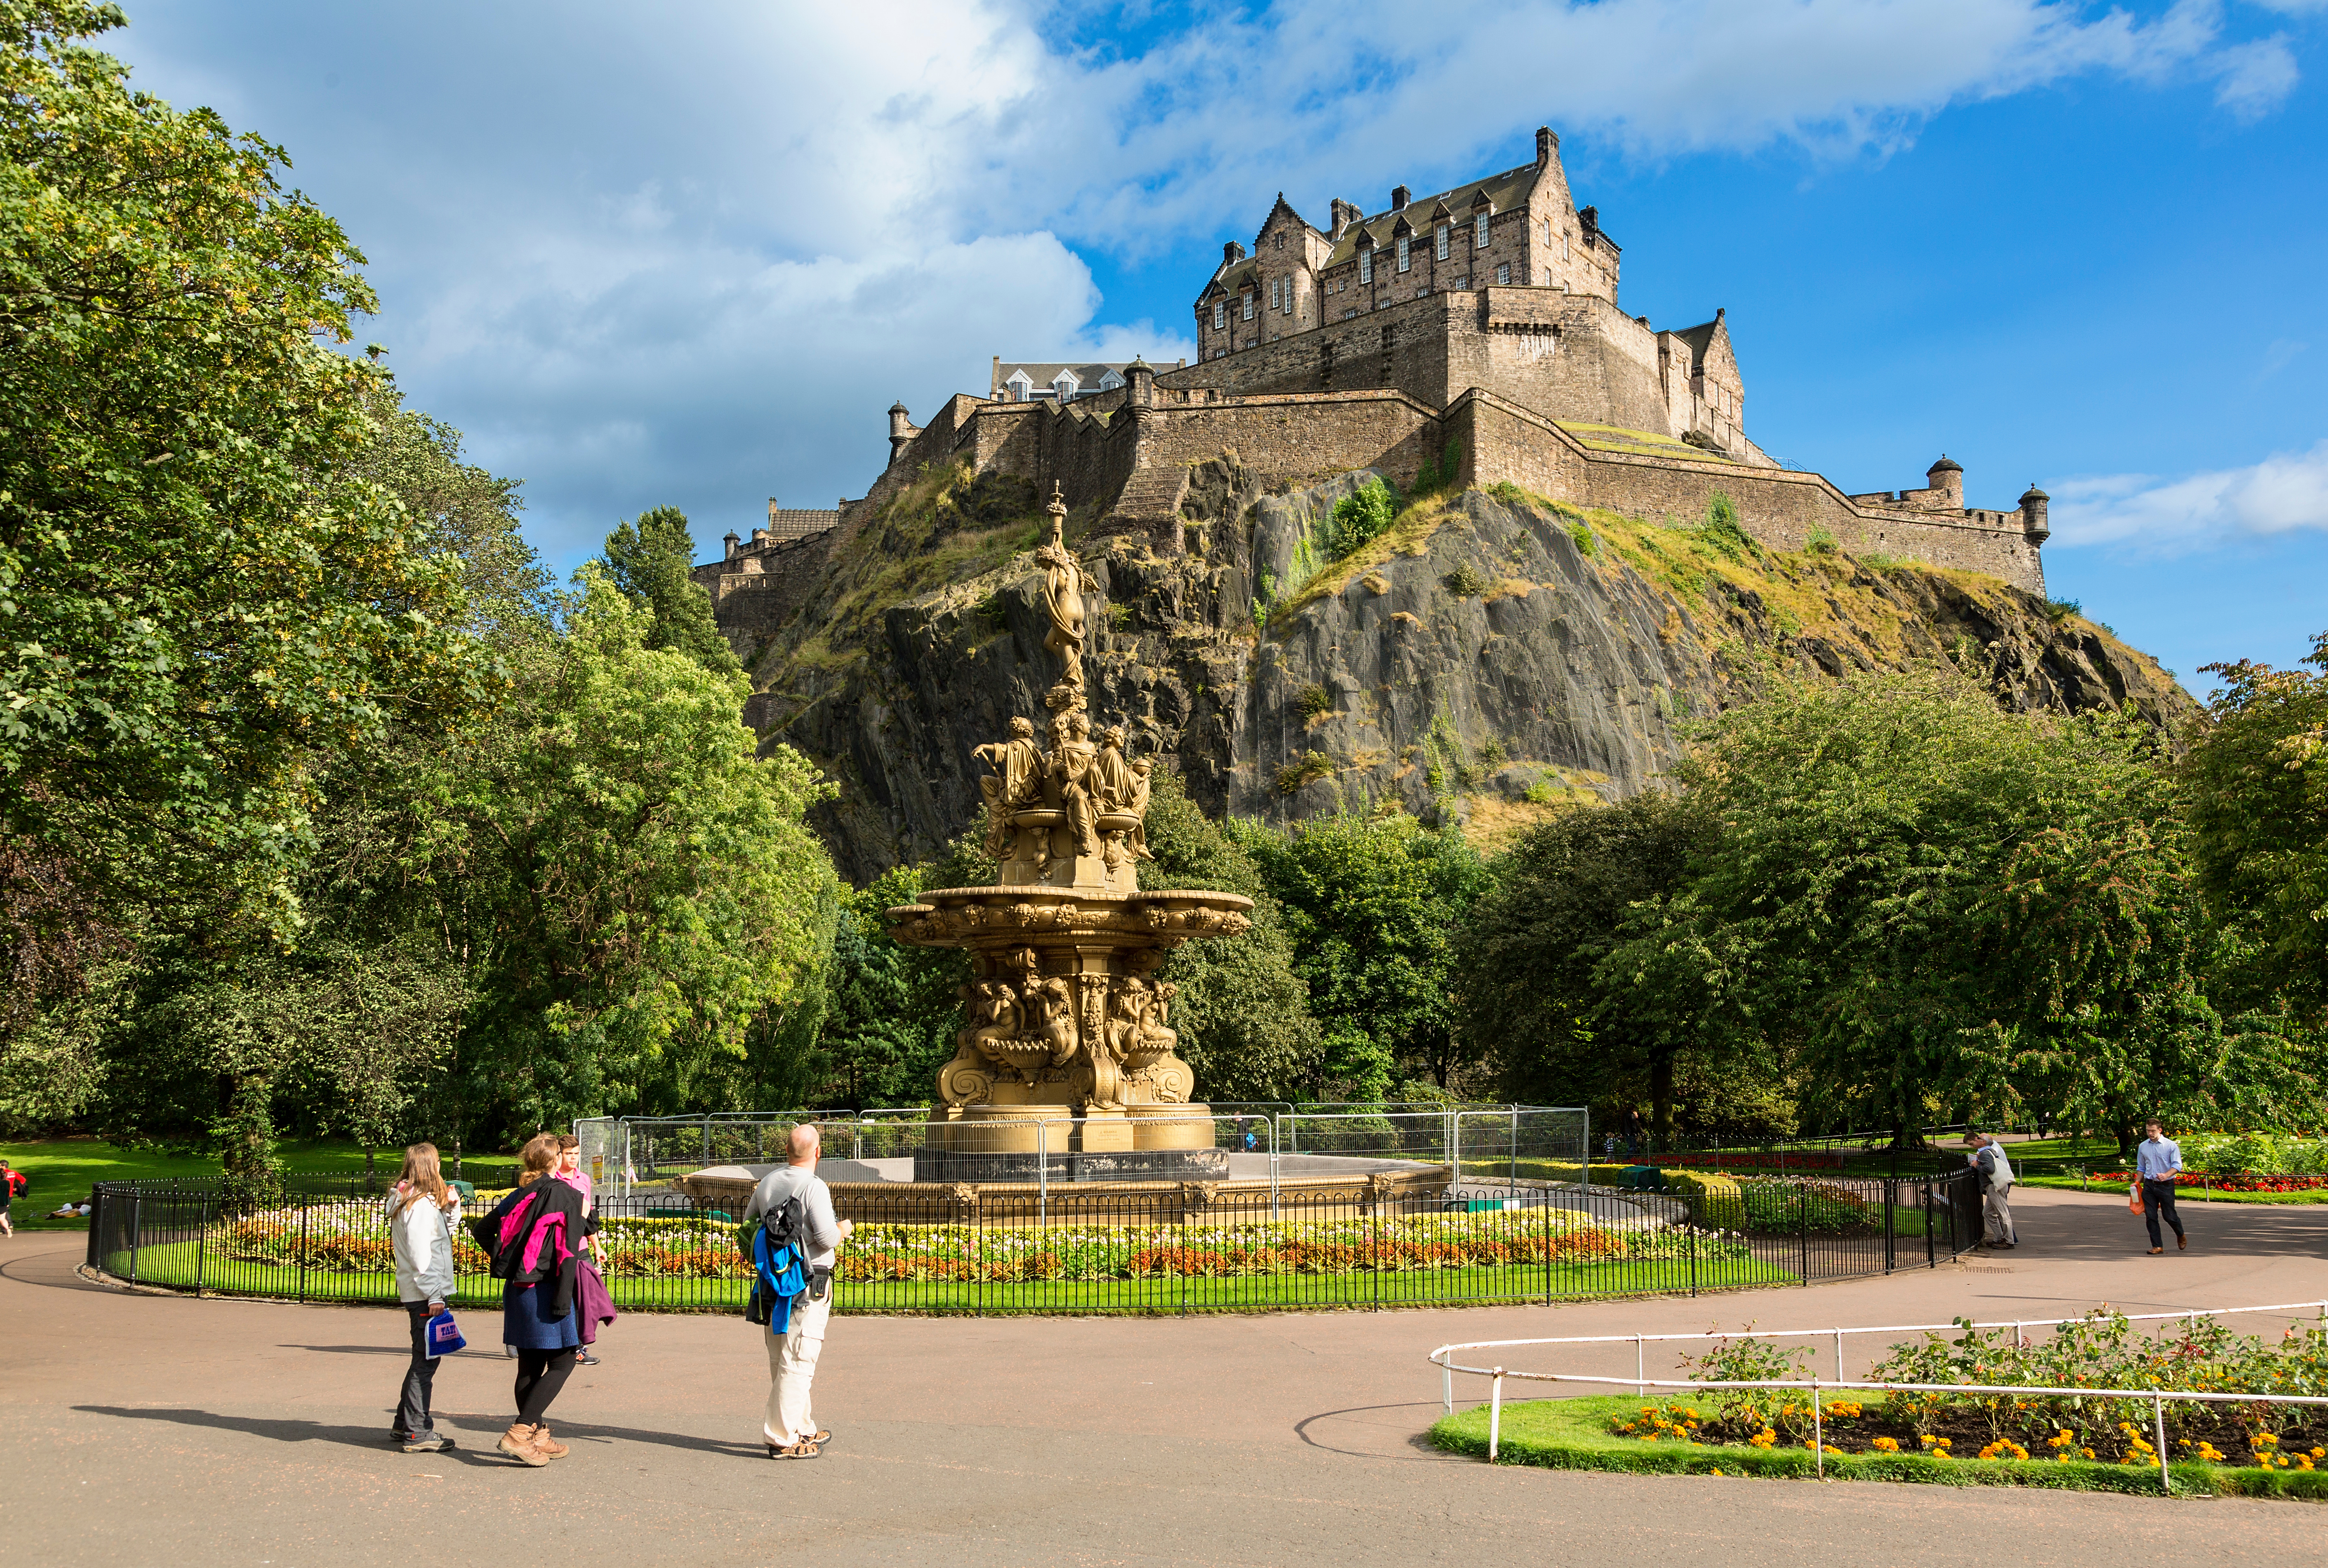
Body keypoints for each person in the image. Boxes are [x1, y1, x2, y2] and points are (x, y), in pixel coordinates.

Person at [480, 1133, 597, 1465]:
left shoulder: (521, 1194)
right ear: (555, 1159)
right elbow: (574, 1246)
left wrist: (511, 1260)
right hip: (549, 1289)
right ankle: (519, 1432)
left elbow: (483, 1230)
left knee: (529, 1365)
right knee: (563, 1361)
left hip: (519, 1289)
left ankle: (538, 1434)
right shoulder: (567, 1195)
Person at [746, 1124, 852, 1460]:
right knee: (800, 1360)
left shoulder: (767, 1183)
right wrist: (844, 1229)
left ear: (788, 1152)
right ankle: (780, 1439)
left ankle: (802, 1427)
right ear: (818, 1152)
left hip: (775, 1282)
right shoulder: (813, 1187)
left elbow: (749, 1226)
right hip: (810, 1283)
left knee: (782, 1356)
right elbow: (826, 1238)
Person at [388, 1144, 462, 1452]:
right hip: (424, 1294)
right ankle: (417, 1432)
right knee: (426, 1362)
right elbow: (422, 1255)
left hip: (420, 1291)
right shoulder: (417, 1205)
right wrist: (435, 1295)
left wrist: (452, 1207)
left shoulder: (414, 1199)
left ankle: (404, 1424)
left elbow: (443, 1233)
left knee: (423, 1358)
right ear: (429, 1167)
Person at [553, 1135, 605, 1366]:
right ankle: (525, 1336)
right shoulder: (551, 1180)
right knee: (558, 1297)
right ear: (559, 1155)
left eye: (576, 1154)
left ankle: (579, 1348)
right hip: (558, 1247)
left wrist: (597, 1246)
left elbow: (587, 1217)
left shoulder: (584, 1179)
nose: (573, 1159)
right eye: (568, 1154)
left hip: (581, 1247)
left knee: (585, 1297)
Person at [2135, 1118, 2187, 1255]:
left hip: (2166, 1186)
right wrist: (2137, 1182)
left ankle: (2180, 1234)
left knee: (2169, 1216)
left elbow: (2177, 1166)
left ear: (2160, 1130)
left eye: (2153, 1131)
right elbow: (2141, 1167)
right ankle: (2157, 1246)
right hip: (2149, 1186)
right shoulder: (2143, 1146)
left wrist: (2166, 1175)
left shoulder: (2170, 1146)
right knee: (2151, 1216)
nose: (2150, 1134)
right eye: (2148, 1131)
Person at [1966, 1133, 2017, 1249]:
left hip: (1994, 1187)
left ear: (1983, 1142)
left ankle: (2009, 1241)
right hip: (1994, 1187)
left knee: (2003, 1214)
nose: (1976, 1140)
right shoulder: (1988, 1152)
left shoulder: (1984, 1154)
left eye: (1978, 1139)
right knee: (1988, 1214)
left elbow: (1990, 1169)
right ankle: (1999, 1238)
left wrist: (1977, 1165)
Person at [0, 1158, 23, 1236]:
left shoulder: (3, 1175)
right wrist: (17, 1188)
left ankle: (8, 1226)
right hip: (9, 1196)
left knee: (4, 1213)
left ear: (3, 1166)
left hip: (2, 1197)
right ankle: (8, 1227)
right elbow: (23, 1180)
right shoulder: (13, 1173)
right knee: (5, 1212)